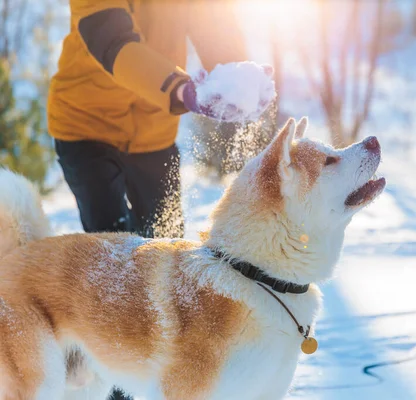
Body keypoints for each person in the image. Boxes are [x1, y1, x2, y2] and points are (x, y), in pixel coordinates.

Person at [47, 1, 257, 399]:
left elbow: (213, 24)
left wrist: (239, 77)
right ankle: (118, 387)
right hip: (84, 126)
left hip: (154, 132)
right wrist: (180, 89)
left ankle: (175, 374)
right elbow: (112, 40)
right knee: (114, 253)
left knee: (167, 253)